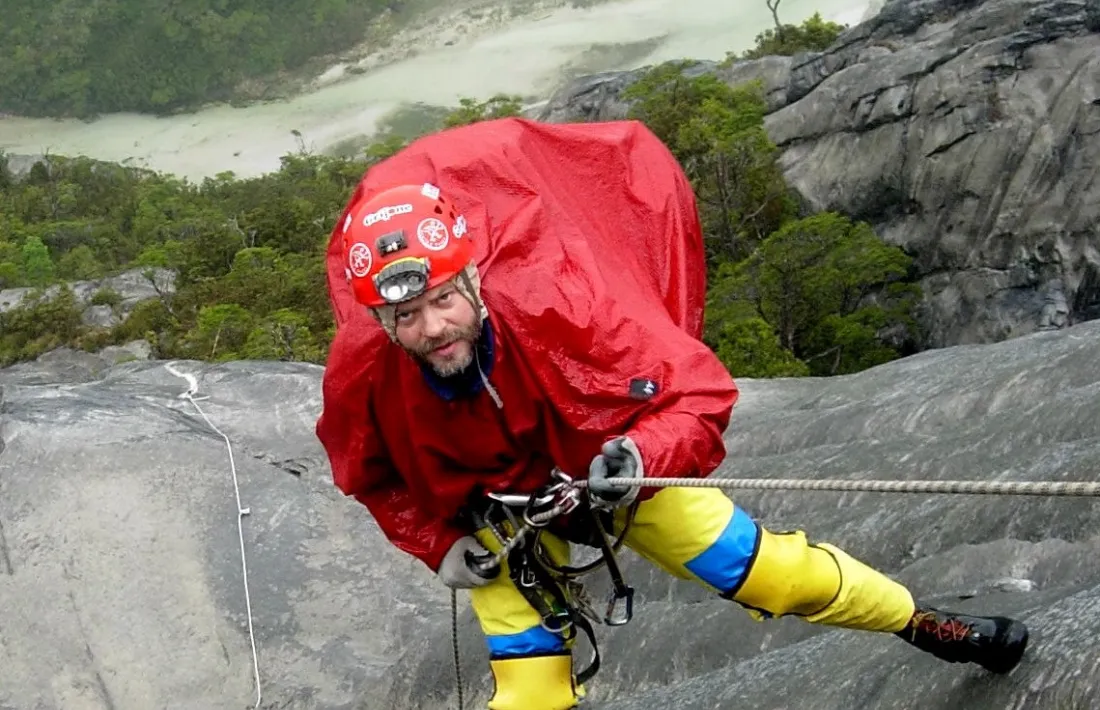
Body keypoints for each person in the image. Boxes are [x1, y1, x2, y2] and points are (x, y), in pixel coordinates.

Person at [315, 118, 1028, 710]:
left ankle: (922, 622)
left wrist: (643, 455)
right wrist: (438, 546)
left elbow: (698, 393)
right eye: (407, 315)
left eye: (444, 300)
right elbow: (372, 477)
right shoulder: (365, 377)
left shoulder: (563, 309)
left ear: (473, 277)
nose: (435, 328)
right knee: (529, 690)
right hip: (497, 519)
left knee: (770, 574)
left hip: (606, 471)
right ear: (379, 320)